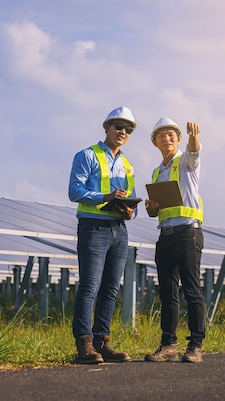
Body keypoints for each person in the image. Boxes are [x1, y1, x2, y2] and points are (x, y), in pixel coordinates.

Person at [68, 106, 139, 364]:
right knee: (90, 286)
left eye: (128, 129)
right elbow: (74, 191)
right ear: (106, 126)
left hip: (119, 230)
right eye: (119, 126)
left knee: (110, 288)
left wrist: (131, 212)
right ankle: (84, 345)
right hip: (93, 227)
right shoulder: (87, 155)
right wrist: (104, 197)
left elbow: (130, 200)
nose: (123, 132)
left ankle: (102, 342)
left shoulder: (128, 165)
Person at [144, 117, 206, 363]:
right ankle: (169, 344)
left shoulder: (186, 162)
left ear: (178, 139)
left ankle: (195, 346)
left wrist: (194, 136)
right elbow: (155, 212)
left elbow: (194, 152)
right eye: (161, 135)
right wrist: (151, 206)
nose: (166, 138)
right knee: (168, 292)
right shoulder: (157, 171)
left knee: (192, 290)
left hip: (188, 233)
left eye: (171, 134)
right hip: (166, 235)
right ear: (154, 142)